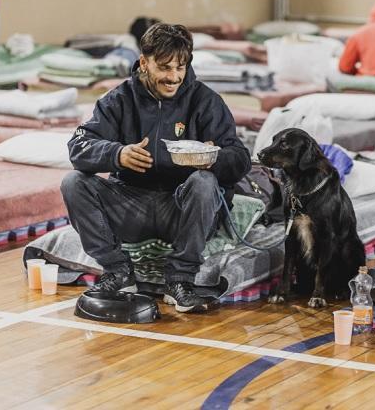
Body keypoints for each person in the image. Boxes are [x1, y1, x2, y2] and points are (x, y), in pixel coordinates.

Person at [61, 23, 251, 313]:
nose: (173, 77)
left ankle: (180, 281)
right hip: (130, 203)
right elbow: (78, 146)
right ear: (143, 63)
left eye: (180, 68)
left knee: (203, 182)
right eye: (164, 68)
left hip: (181, 208)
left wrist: (212, 158)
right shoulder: (118, 100)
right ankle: (118, 272)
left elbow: (240, 159)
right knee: (73, 182)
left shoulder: (206, 101)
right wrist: (117, 154)